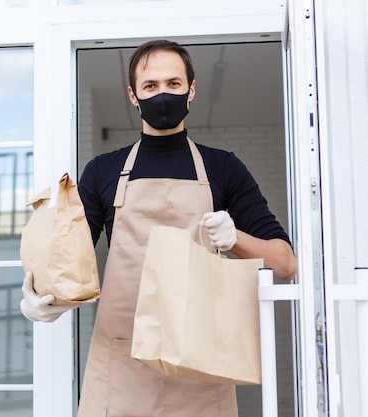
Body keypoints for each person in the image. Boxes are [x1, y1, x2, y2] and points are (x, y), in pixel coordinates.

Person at [20, 39, 298, 416]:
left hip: (199, 362)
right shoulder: (103, 171)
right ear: (133, 96)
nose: (162, 94)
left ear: (192, 90)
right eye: (151, 86)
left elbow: (284, 263)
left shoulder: (223, 168)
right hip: (122, 359)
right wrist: (39, 301)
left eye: (173, 83)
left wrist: (235, 239)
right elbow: (69, 263)